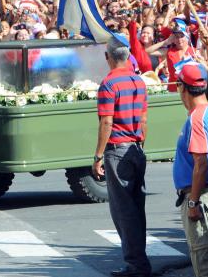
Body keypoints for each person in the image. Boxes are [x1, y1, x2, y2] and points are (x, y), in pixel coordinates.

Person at [92, 36, 150, 277]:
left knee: (124, 210)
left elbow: (107, 122)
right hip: (136, 147)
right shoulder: (139, 81)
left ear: (108, 57)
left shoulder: (109, 84)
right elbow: (144, 120)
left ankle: (136, 265)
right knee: (136, 207)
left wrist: (97, 155)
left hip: (118, 149)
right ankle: (139, 262)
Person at [172, 63, 208, 277]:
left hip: (202, 197)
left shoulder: (197, 118)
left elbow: (201, 163)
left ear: (182, 87)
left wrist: (193, 201)